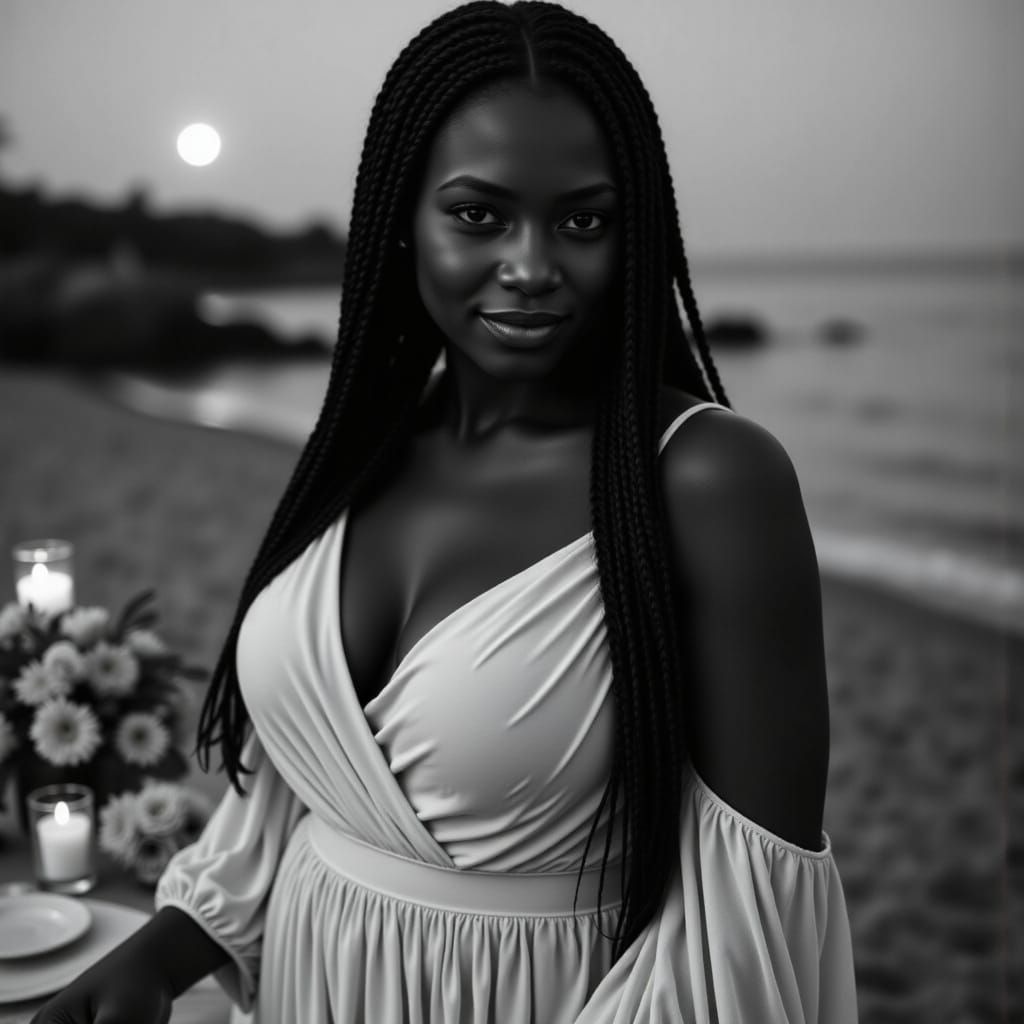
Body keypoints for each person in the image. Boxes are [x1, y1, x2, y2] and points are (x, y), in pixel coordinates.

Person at [31, 2, 859, 1021]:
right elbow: (302, 789)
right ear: (401, 218)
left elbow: (746, 925)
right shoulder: (358, 452)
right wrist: (161, 954)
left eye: (585, 220)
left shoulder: (708, 483)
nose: (531, 264)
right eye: (478, 214)